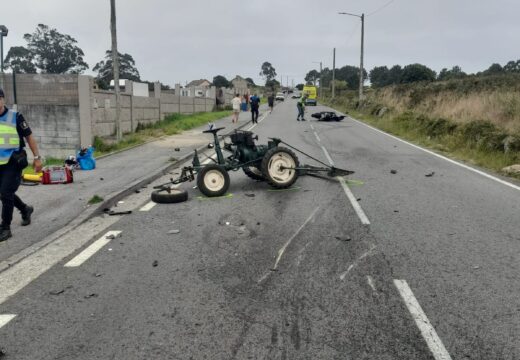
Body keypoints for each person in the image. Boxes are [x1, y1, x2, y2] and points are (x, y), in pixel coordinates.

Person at [0, 88, 42, 242]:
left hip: (13, 161)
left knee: (5, 193)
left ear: (3, 99)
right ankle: (25, 209)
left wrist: (37, 158)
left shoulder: (15, 117)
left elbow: (29, 137)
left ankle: (5, 228)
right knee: (4, 194)